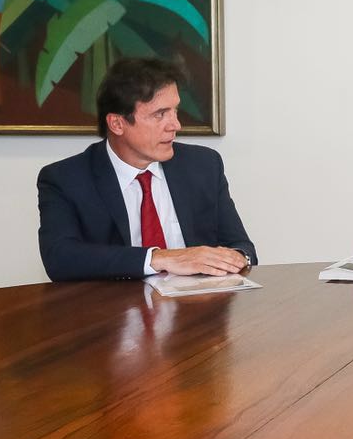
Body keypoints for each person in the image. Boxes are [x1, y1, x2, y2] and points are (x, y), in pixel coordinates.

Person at [37, 56, 256, 281]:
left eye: (175, 111)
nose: (175, 125)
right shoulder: (66, 179)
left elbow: (241, 246)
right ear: (117, 124)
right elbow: (60, 259)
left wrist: (238, 258)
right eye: (160, 114)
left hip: (198, 308)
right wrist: (161, 258)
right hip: (114, 312)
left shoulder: (204, 165)